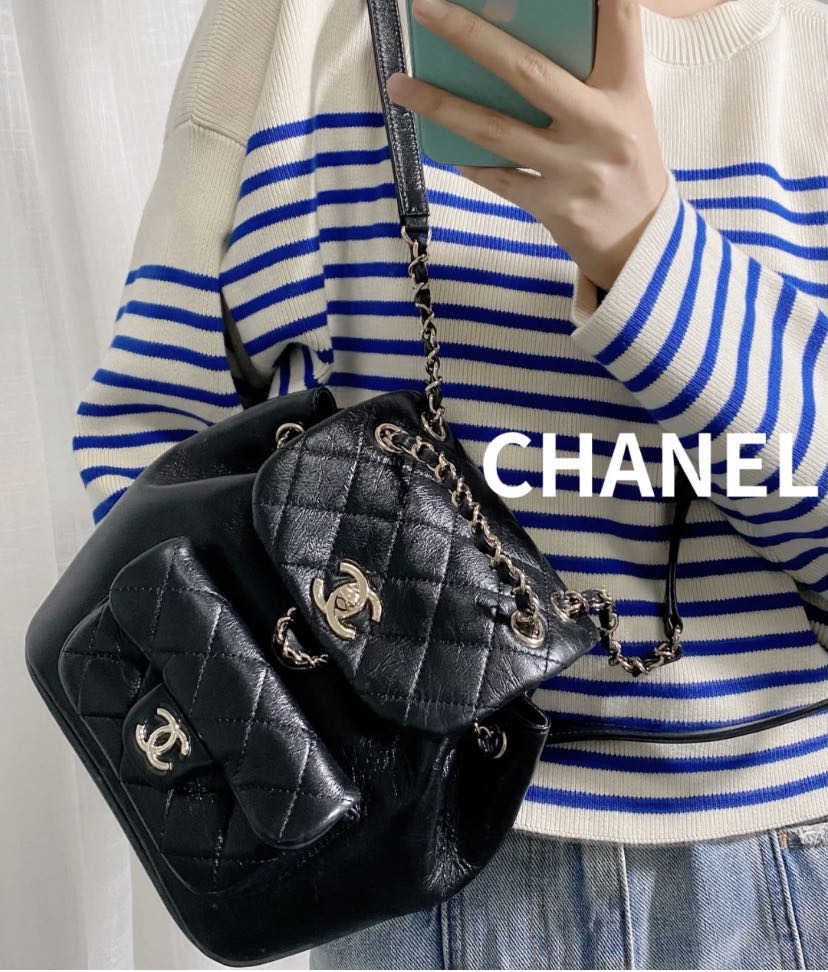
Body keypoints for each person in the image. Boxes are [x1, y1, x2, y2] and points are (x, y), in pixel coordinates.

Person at [72, 0, 828, 966]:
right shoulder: (287, 22)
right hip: (404, 876)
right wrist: (288, 753)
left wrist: (652, 256)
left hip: (776, 870)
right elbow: (153, 441)